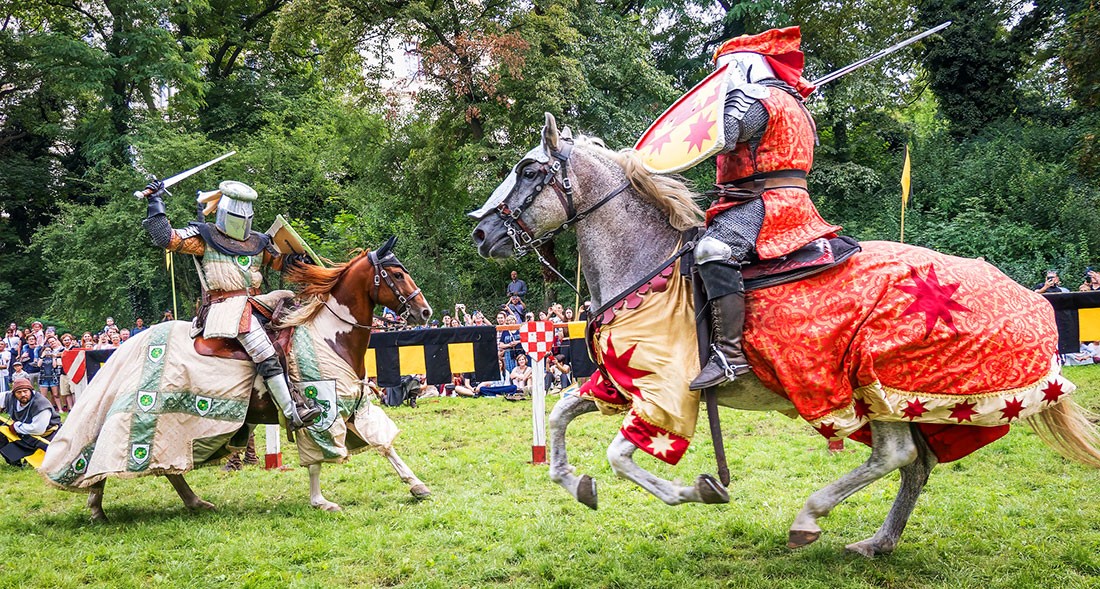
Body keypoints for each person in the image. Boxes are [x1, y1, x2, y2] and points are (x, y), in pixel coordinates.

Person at [673, 27, 840, 389]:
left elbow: (723, 136)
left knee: (712, 250)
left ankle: (729, 356)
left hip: (765, 201)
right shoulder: (794, 104)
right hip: (781, 199)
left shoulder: (754, 100)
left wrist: (725, 101)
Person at [139, 178, 321, 430]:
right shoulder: (205, 237)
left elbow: (282, 264)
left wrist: (299, 259)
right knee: (262, 349)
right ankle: (292, 412)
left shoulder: (258, 242)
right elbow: (166, 238)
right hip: (224, 307)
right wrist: (155, 201)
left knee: (294, 314)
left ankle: (306, 390)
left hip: (256, 301)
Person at [0, 378, 60, 466]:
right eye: (19, 392)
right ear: (14, 393)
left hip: (45, 437)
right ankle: (14, 463)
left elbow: (38, 429)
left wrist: (16, 427)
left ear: (31, 391)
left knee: (39, 462)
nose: (23, 394)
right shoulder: (10, 397)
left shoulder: (41, 404)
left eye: (25, 391)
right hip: (23, 433)